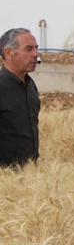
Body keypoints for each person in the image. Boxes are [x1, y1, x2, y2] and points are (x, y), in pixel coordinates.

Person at [0, 28, 40, 168]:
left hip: (29, 178)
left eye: (36, 48)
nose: (36, 54)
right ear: (9, 53)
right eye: (28, 49)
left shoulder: (30, 86)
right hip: (5, 181)